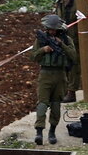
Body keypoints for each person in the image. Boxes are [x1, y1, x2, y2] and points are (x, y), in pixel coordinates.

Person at [30, 15, 77, 145]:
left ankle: (52, 132)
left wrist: (62, 45)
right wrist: (43, 50)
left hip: (60, 75)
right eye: (49, 29)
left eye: (54, 29)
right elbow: (33, 56)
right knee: (42, 104)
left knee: (56, 105)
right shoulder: (41, 40)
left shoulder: (67, 40)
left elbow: (73, 56)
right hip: (45, 73)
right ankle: (39, 132)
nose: (51, 32)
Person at [53, 0, 81, 103]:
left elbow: (83, 20)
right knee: (64, 66)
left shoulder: (77, 4)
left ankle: (72, 92)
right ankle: (64, 90)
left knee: (74, 66)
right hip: (61, 39)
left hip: (75, 40)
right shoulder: (59, 4)